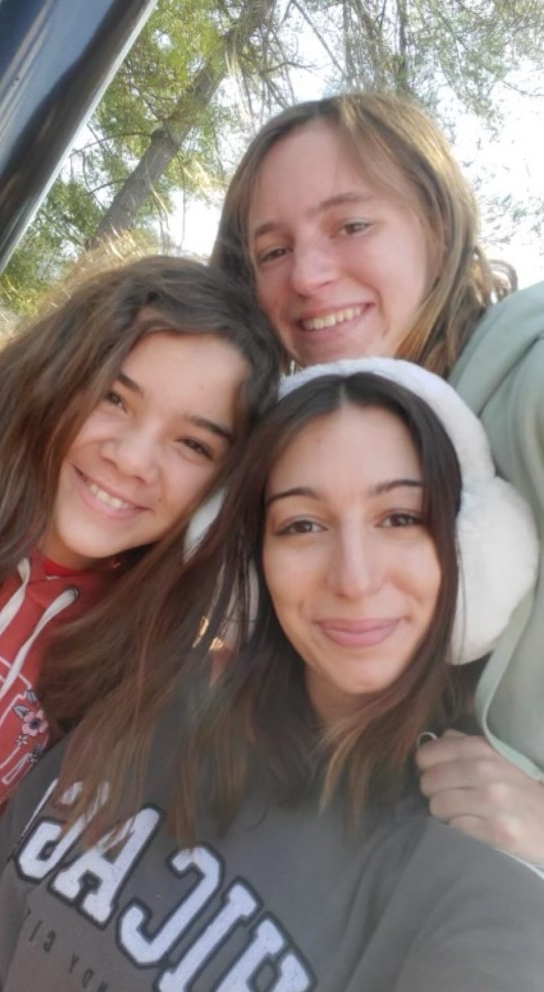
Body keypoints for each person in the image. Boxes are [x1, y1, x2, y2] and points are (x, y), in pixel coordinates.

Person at [0, 359, 542, 992]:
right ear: (249, 563)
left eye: (399, 517)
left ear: (471, 548)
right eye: (301, 524)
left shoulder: (474, 878)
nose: (353, 577)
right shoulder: (148, 698)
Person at [211, 91, 544, 863]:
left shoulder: (529, 382)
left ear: (437, 225)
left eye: (350, 226)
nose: (307, 275)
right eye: (272, 251)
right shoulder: (311, 441)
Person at [0, 253, 281, 850]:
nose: (133, 459)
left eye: (193, 444)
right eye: (114, 399)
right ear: (56, 374)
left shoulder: (153, 670)